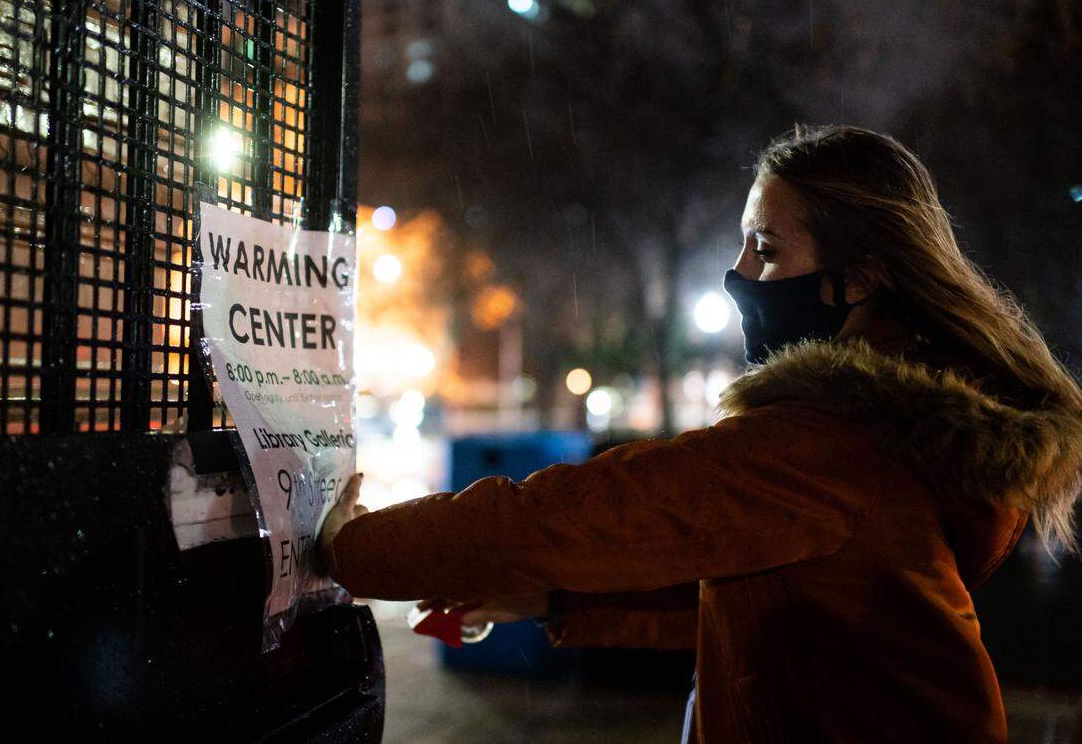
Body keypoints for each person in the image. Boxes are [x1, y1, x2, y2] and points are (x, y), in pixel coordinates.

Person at [315, 125, 1082, 743]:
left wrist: (351, 548)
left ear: (861, 278)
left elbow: (564, 515)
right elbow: (749, 598)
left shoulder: (827, 446)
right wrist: (550, 602)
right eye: (745, 241)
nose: (739, 272)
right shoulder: (879, 433)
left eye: (768, 249)